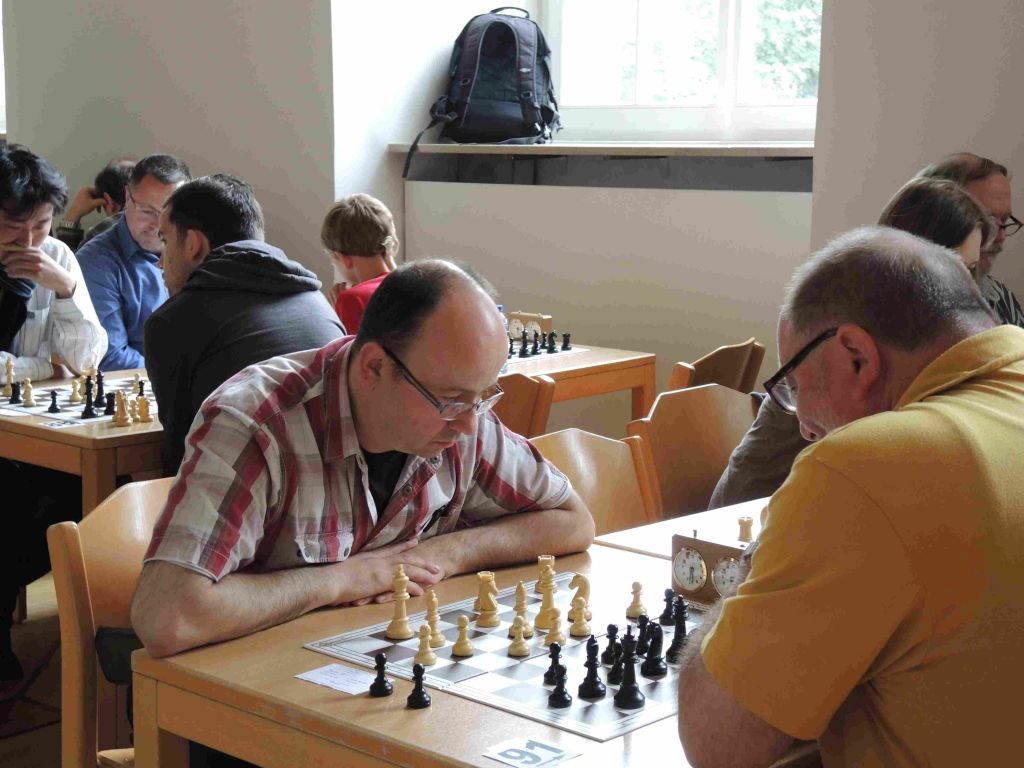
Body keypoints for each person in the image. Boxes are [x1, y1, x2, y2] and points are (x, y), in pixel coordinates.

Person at [679, 226, 1022, 766]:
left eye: (794, 385)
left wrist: (757, 566)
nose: (803, 425)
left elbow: (718, 746)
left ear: (857, 356)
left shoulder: (865, 467)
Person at [131, 259, 593, 657]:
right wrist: (337, 581)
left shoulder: (460, 416)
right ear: (374, 367)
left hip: (379, 664)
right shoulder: (256, 425)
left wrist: (443, 554)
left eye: (482, 397)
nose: (471, 425)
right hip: (247, 684)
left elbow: (572, 521)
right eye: (452, 400)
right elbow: (168, 617)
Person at [708, 172, 999, 510]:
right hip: (751, 521)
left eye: (973, 271)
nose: (968, 287)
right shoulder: (841, 358)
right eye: (959, 267)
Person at [144, 174, 345, 476]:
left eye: (165, 240)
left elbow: (181, 457)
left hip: (243, 496)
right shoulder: (320, 304)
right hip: (336, 492)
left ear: (194, 244)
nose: (160, 261)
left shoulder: (174, 320)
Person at [0, 145, 107, 680]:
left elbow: (85, 361)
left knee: (80, 499)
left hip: (34, 435)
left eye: (40, 226)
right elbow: (57, 366)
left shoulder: (59, 258)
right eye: (12, 230)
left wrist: (65, 291)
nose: (29, 243)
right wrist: (43, 366)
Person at [77, 154, 191, 371]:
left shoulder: (196, 249)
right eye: (148, 211)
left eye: (169, 214)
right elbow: (111, 357)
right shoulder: (94, 262)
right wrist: (176, 378)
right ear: (127, 197)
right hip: (142, 385)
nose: (157, 225)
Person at [918, 152, 1024, 327]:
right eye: (986, 220)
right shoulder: (895, 303)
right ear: (936, 214)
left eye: (1004, 221)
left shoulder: (1001, 299)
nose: (1001, 236)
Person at [320, 193, 398, 333]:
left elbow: (352, 347)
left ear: (343, 258)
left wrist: (337, 314)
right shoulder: (415, 283)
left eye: (333, 261)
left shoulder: (352, 299)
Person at [54, 158, 136, 251]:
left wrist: (72, 215)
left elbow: (66, 259)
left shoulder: (101, 238)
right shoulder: (148, 228)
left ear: (108, 201)